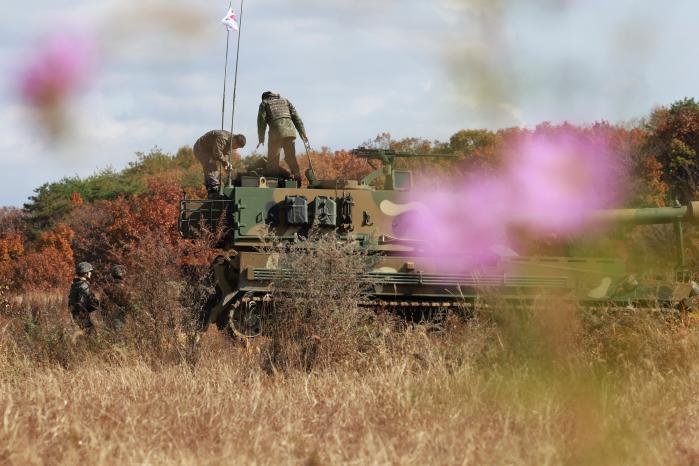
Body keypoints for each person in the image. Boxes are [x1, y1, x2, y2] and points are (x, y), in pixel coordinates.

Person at [256, 91, 308, 181]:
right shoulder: (285, 101)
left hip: (276, 133)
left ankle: (273, 180)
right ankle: (297, 176)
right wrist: (303, 133)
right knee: (290, 156)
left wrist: (261, 138)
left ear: (264, 97)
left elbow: (261, 121)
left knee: (273, 159)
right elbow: (296, 118)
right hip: (290, 132)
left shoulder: (264, 103)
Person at [193, 130, 247, 198]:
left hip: (211, 151)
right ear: (235, 141)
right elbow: (217, 154)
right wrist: (225, 162)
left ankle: (211, 188)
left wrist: (226, 164)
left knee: (212, 165)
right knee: (211, 164)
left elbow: (226, 154)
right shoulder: (222, 137)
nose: (235, 148)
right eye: (236, 146)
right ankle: (214, 190)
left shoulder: (231, 141)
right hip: (201, 148)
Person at [68, 262, 100, 332]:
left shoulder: (75, 284)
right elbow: (82, 304)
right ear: (86, 273)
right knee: (92, 335)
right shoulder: (84, 285)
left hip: (76, 314)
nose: (91, 274)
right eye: (90, 272)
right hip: (82, 315)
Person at [102, 264, 131, 331]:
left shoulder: (107, 289)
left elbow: (102, 306)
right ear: (123, 275)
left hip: (108, 321)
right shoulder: (126, 290)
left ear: (112, 276)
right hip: (121, 321)